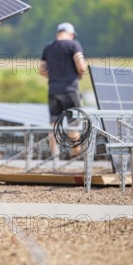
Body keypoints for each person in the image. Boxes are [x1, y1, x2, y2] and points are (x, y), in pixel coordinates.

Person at [39, 22, 87, 161]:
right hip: (70, 90)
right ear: (71, 34)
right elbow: (82, 67)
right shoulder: (74, 45)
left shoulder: (48, 47)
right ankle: (75, 156)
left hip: (53, 90)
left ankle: (55, 157)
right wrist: (79, 74)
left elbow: (41, 68)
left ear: (58, 33)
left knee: (53, 125)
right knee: (74, 124)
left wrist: (53, 77)